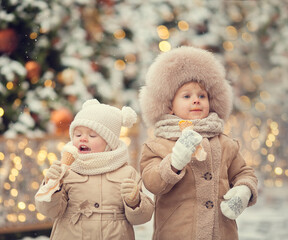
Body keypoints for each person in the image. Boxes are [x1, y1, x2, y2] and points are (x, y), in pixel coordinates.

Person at [138, 46, 258, 240]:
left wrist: (243, 191)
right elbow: (152, 183)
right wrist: (174, 162)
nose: (196, 100)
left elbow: (244, 172)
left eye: (202, 96)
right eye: (187, 96)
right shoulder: (157, 145)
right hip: (176, 233)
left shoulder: (224, 143)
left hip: (221, 234)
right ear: (169, 106)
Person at [35, 99, 154, 240]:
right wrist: (51, 185)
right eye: (78, 135)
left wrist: (135, 202)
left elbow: (142, 218)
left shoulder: (126, 173)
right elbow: (49, 211)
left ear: (109, 143)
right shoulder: (65, 171)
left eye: (92, 135)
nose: (83, 139)